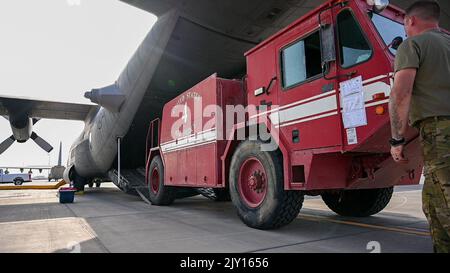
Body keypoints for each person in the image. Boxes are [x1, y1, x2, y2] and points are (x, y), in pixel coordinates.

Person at [388, 0, 450, 253]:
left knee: (445, 204)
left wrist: (396, 140)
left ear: (410, 21)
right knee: (433, 202)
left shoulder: (412, 44)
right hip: (439, 131)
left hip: (440, 131)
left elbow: (401, 95)